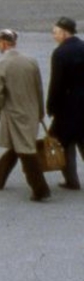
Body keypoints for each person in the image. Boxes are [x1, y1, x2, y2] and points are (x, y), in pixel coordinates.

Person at [0, 29, 50, 201]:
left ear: (2, 43)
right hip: (32, 111)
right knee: (21, 144)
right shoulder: (31, 61)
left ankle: (40, 189)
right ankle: (0, 173)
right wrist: (40, 111)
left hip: (13, 113)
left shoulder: (0, 65)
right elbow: (39, 88)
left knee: (25, 150)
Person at [47, 16, 84, 191]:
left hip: (68, 107)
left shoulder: (60, 53)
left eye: (55, 32)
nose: (54, 36)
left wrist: (51, 106)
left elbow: (57, 83)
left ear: (64, 32)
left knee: (64, 143)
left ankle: (72, 180)